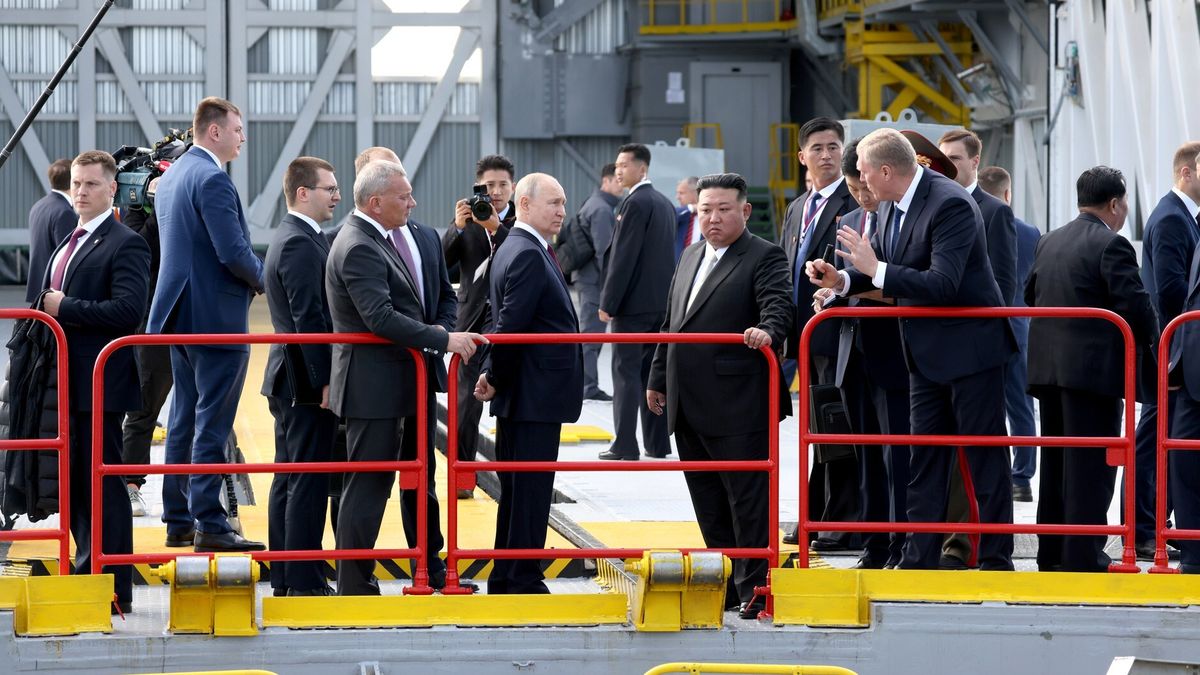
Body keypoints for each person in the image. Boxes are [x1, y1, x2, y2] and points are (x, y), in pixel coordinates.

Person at [808, 127, 1016, 571]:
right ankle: (918, 557)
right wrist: (841, 281)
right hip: (921, 353)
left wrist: (874, 267)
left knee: (983, 457)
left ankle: (997, 558)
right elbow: (880, 270)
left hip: (970, 352)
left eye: (863, 171)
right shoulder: (889, 207)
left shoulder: (950, 204)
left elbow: (942, 283)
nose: (859, 181)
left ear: (886, 170)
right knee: (922, 455)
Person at [325, 160, 484, 595]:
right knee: (368, 483)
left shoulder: (375, 239)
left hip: (399, 383)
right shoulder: (359, 245)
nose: (413, 203)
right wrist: (442, 339)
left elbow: (430, 298)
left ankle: (407, 570)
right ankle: (353, 584)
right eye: (404, 197)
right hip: (373, 387)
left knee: (411, 479)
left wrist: (440, 331)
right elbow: (379, 317)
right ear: (376, 203)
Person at [647, 172, 791, 618]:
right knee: (708, 502)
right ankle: (727, 582)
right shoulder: (690, 254)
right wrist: (657, 377)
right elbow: (672, 323)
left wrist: (766, 331)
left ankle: (756, 586)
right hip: (687, 402)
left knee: (747, 501)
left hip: (738, 402)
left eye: (723, 209)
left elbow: (779, 306)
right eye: (705, 209)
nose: (712, 218)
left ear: (745, 212)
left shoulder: (764, 256)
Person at [147, 97, 265, 553]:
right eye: (237, 128)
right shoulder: (213, 179)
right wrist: (263, 280)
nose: (242, 136)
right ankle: (210, 524)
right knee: (212, 422)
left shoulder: (173, 175)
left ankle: (177, 518)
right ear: (214, 131)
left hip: (178, 315)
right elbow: (232, 252)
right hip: (215, 317)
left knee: (183, 418)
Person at [1026, 166, 1157, 572]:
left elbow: (1031, 293)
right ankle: (1082, 556)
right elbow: (1136, 308)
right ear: (1115, 203)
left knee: (1056, 464)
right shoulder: (1111, 245)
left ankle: (1051, 553)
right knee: (1090, 468)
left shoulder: (1049, 240)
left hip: (1047, 371)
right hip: (1092, 374)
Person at [40, 150, 151, 615]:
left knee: (103, 485)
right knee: (79, 486)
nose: (80, 192)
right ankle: (89, 574)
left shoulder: (125, 242)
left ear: (112, 189)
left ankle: (113, 585)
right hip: (67, 383)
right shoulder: (71, 237)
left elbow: (129, 311)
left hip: (99, 385)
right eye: (76, 185)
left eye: (90, 184)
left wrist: (65, 308)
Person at [474, 173, 584, 594]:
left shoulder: (517, 246)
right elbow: (511, 326)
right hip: (532, 393)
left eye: (563, 202)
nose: (561, 211)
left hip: (527, 392)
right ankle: (520, 577)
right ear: (524, 203)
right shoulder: (526, 252)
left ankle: (509, 572)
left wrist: (491, 372)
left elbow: (503, 320)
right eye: (553, 203)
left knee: (521, 490)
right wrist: (495, 376)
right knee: (530, 490)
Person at [820, 140, 910, 569]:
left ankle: (901, 544)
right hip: (850, 351)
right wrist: (831, 288)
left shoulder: (900, 221)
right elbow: (850, 284)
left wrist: (855, 284)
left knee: (897, 455)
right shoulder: (852, 220)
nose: (863, 198)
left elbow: (898, 285)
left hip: (892, 351)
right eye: (856, 190)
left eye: (866, 188)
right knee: (865, 457)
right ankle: (873, 546)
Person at [936, 130, 1018, 569]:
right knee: (941, 457)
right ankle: (952, 542)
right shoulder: (929, 205)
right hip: (934, 352)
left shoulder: (993, 211)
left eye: (954, 158)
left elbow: (1003, 286)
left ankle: (990, 549)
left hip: (978, 349)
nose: (948, 166)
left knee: (983, 453)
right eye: (941, 159)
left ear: (974, 160)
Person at [261, 157, 341, 597]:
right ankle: (304, 580)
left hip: (291, 376)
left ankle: (288, 575)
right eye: (329, 188)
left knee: (290, 477)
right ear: (303, 193)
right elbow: (310, 318)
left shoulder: (299, 237)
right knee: (305, 480)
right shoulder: (299, 243)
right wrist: (323, 381)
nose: (336, 196)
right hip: (302, 382)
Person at [780, 117, 860, 548]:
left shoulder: (855, 203)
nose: (826, 155)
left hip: (839, 333)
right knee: (815, 426)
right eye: (818, 148)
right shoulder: (797, 208)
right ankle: (818, 512)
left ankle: (840, 521)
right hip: (804, 335)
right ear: (802, 156)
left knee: (836, 426)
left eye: (834, 146)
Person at [1132, 142, 1200, 560]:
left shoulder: (1181, 217)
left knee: (1166, 442)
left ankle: (1154, 526)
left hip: (1178, 351)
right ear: (1186, 173)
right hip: (1175, 353)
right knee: (1156, 443)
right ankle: (1142, 529)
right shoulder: (1173, 218)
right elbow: (1172, 291)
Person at [442, 155, 517, 497]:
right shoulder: (468, 221)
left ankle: (512, 478)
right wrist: (456, 228)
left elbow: (519, 252)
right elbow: (441, 263)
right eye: (489, 186)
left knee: (510, 404)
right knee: (463, 407)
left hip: (506, 323)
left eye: (502, 184)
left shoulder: (522, 221)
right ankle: (462, 481)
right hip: (470, 322)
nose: (496, 191)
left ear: (513, 188)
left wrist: (496, 229)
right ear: (478, 188)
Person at [598, 143, 675, 461]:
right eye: (616, 166)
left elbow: (623, 257)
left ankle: (625, 444)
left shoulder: (634, 204)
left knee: (626, 374)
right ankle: (657, 445)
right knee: (652, 373)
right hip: (660, 305)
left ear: (642, 169)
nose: (618, 170)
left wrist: (609, 301)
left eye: (624, 165)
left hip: (631, 307)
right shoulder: (664, 202)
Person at [978, 166, 1041, 503]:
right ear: (1007, 193)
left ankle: (989, 473)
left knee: (982, 405)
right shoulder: (1030, 232)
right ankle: (1022, 477)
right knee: (1021, 407)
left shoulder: (973, 223)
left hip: (983, 327)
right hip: (1020, 326)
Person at [575, 163, 622, 402]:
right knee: (591, 334)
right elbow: (605, 252)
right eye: (618, 180)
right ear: (607, 181)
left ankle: (587, 384)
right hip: (594, 281)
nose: (622, 185)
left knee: (591, 333)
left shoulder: (592, 202)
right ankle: (588, 386)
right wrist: (613, 287)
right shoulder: (602, 209)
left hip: (588, 278)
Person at [25, 158, 76, 304]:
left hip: (38, 286)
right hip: (53, 290)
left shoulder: (38, 205)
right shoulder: (65, 212)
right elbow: (66, 256)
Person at [674, 176, 701, 261]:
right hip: (680, 267)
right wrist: (691, 208)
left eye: (681, 193)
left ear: (695, 193)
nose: (677, 197)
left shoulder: (709, 216)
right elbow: (669, 216)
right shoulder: (683, 214)